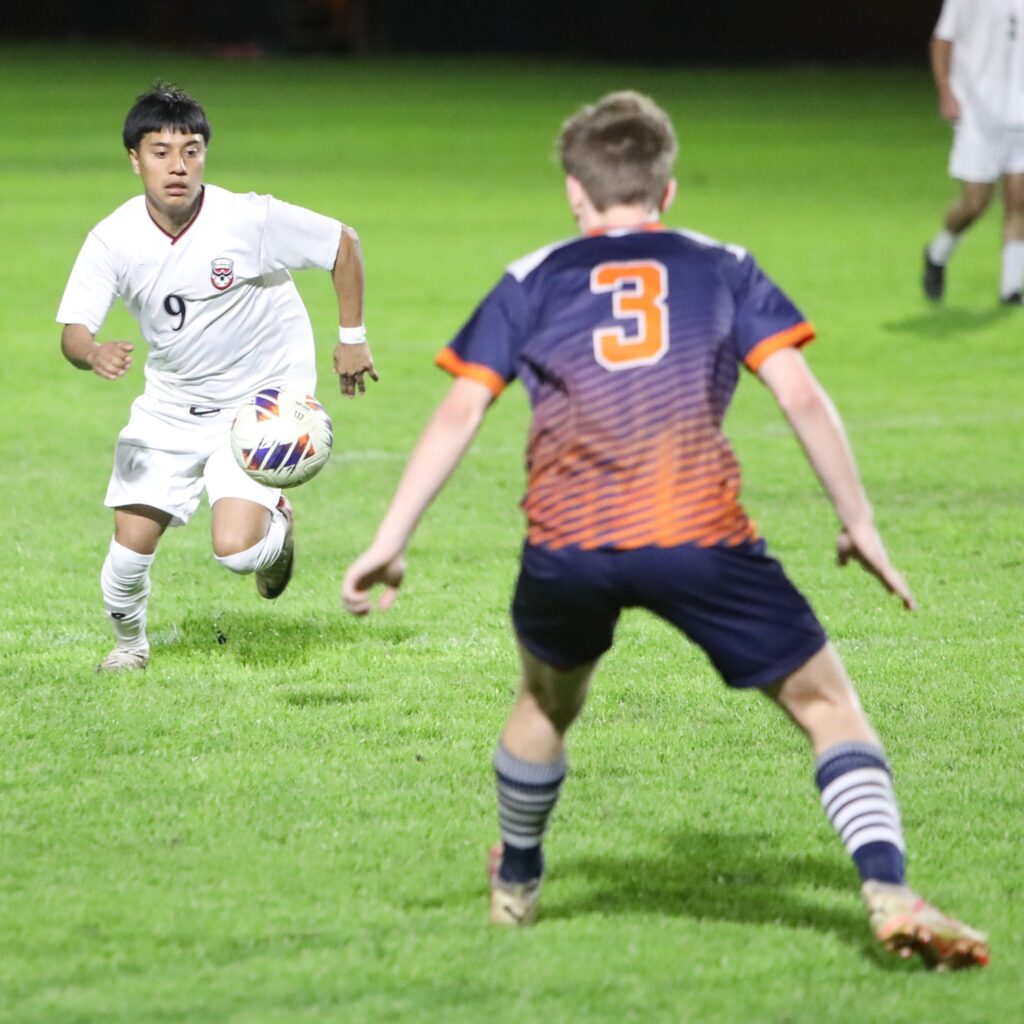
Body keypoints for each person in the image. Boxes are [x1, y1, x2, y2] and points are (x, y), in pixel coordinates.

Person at [342, 91, 989, 968]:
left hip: (570, 543)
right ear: (668, 190)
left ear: (576, 191)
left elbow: (461, 410)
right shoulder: (723, 265)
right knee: (828, 707)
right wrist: (859, 519)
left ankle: (516, 890)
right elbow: (798, 391)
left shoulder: (533, 275)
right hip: (700, 535)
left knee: (544, 701)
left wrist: (390, 536)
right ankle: (888, 891)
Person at [58, 83, 378, 672]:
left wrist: (352, 339)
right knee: (128, 555)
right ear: (135, 158)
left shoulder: (247, 218)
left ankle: (274, 527)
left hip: (260, 404)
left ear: (205, 154)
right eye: (160, 151)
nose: (177, 166)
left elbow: (342, 242)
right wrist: (92, 353)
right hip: (171, 404)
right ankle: (130, 647)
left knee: (235, 554)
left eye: (192, 150)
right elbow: (73, 329)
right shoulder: (113, 238)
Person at [923, 0, 1024, 304]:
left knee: (1019, 200)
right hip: (978, 114)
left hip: (1020, 114)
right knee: (976, 202)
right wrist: (946, 92)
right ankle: (937, 253)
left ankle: (1011, 288)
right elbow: (942, 41)